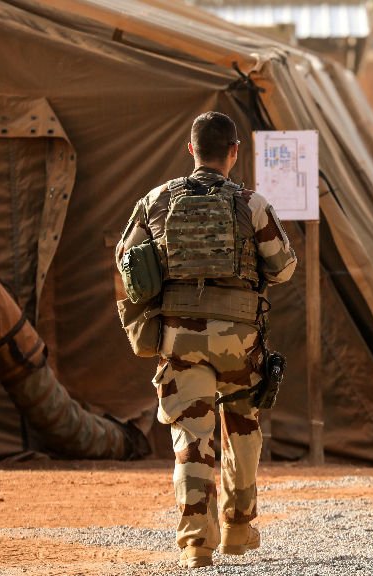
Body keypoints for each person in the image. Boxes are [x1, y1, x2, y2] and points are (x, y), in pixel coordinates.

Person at [116, 111, 297, 568]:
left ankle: (197, 544)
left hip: (180, 338)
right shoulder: (252, 203)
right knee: (243, 428)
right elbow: (283, 267)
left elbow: (127, 259)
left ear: (190, 149)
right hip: (240, 339)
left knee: (192, 438)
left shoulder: (156, 200)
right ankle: (237, 529)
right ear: (234, 152)